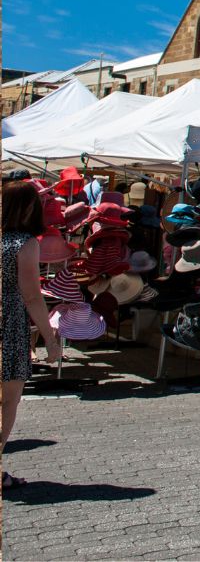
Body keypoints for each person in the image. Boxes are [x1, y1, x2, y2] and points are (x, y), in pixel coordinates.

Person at [2, 180, 64, 490]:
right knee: (7, 401)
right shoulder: (25, 243)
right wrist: (49, 339)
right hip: (9, 326)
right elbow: (31, 296)